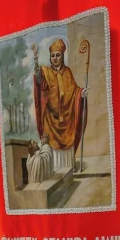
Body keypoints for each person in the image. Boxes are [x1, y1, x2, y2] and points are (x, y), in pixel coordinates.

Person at [32, 38, 88, 169]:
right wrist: (35, 58)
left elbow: (74, 91)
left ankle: (68, 170)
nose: (55, 58)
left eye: (58, 55)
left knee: (67, 147)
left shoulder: (67, 72)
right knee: (52, 152)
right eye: (53, 56)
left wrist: (81, 93)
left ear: (62, 56)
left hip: (67, 120)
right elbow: (38, 77)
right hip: (50, 120)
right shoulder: (46, 71)